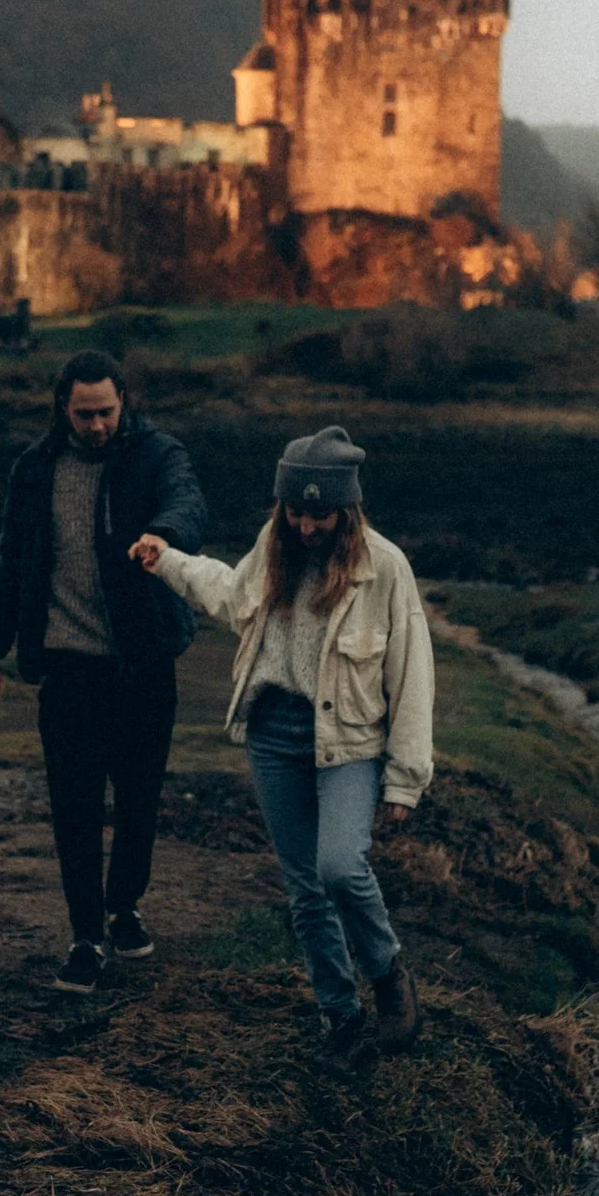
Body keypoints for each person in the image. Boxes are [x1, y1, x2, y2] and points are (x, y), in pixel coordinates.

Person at [129, 426, 433, 1070]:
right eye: (295, 511)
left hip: (349, 741)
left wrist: (406, 780)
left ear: (346, 511)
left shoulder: (386, 569)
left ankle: (387, 980)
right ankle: (341, 1020)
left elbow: (412, 675)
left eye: (320, 513)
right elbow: (229, 595)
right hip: (273, 733)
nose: (306, 525)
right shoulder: (274, 548)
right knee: (304, 889)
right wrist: (168, 560)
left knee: (339, 868)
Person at [0, 350, 209, 993]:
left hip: (143, 663)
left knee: (137, 800)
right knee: (73, 805)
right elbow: (13, 559)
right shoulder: (35, 468)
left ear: (123, 401)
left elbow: (189, 504)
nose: (97, 425)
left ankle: (123, 905)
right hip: (68, 665)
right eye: (84, 414)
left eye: (106, 412)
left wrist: (163, 535)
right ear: (63, 409)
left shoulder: (158, 455)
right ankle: (84, 936)